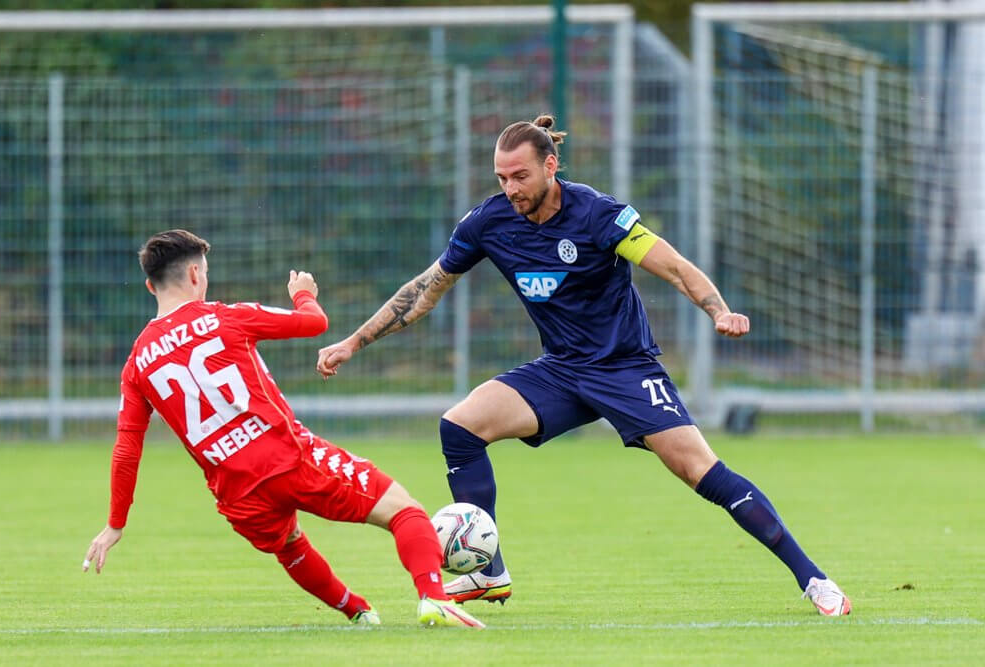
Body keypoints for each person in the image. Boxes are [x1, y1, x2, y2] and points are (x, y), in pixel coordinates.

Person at [316, 115, 852, 617]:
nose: (511, 188)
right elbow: (424, 291)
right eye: (501, 178)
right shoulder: (488, 222)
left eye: (520, 176)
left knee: (701, 472)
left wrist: (719, 310)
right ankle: (489, 572)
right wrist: (352, 343)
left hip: (624, 368)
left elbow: (675, 266)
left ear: (551, 166)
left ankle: (814, 579)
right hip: (562, 371)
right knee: (459, 426)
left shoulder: (598, 215)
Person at [83, 229, 485, 629]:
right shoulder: (226, 316)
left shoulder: (136, 364)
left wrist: (116, 523)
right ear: (193, 274)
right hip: (288, 458)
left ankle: (358, 612)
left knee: (290, 546)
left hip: (235, 492)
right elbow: (315, 323)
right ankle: (434, 597)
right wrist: (303, 292)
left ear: (150, 285)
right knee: (405, 511)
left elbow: (126, 448)